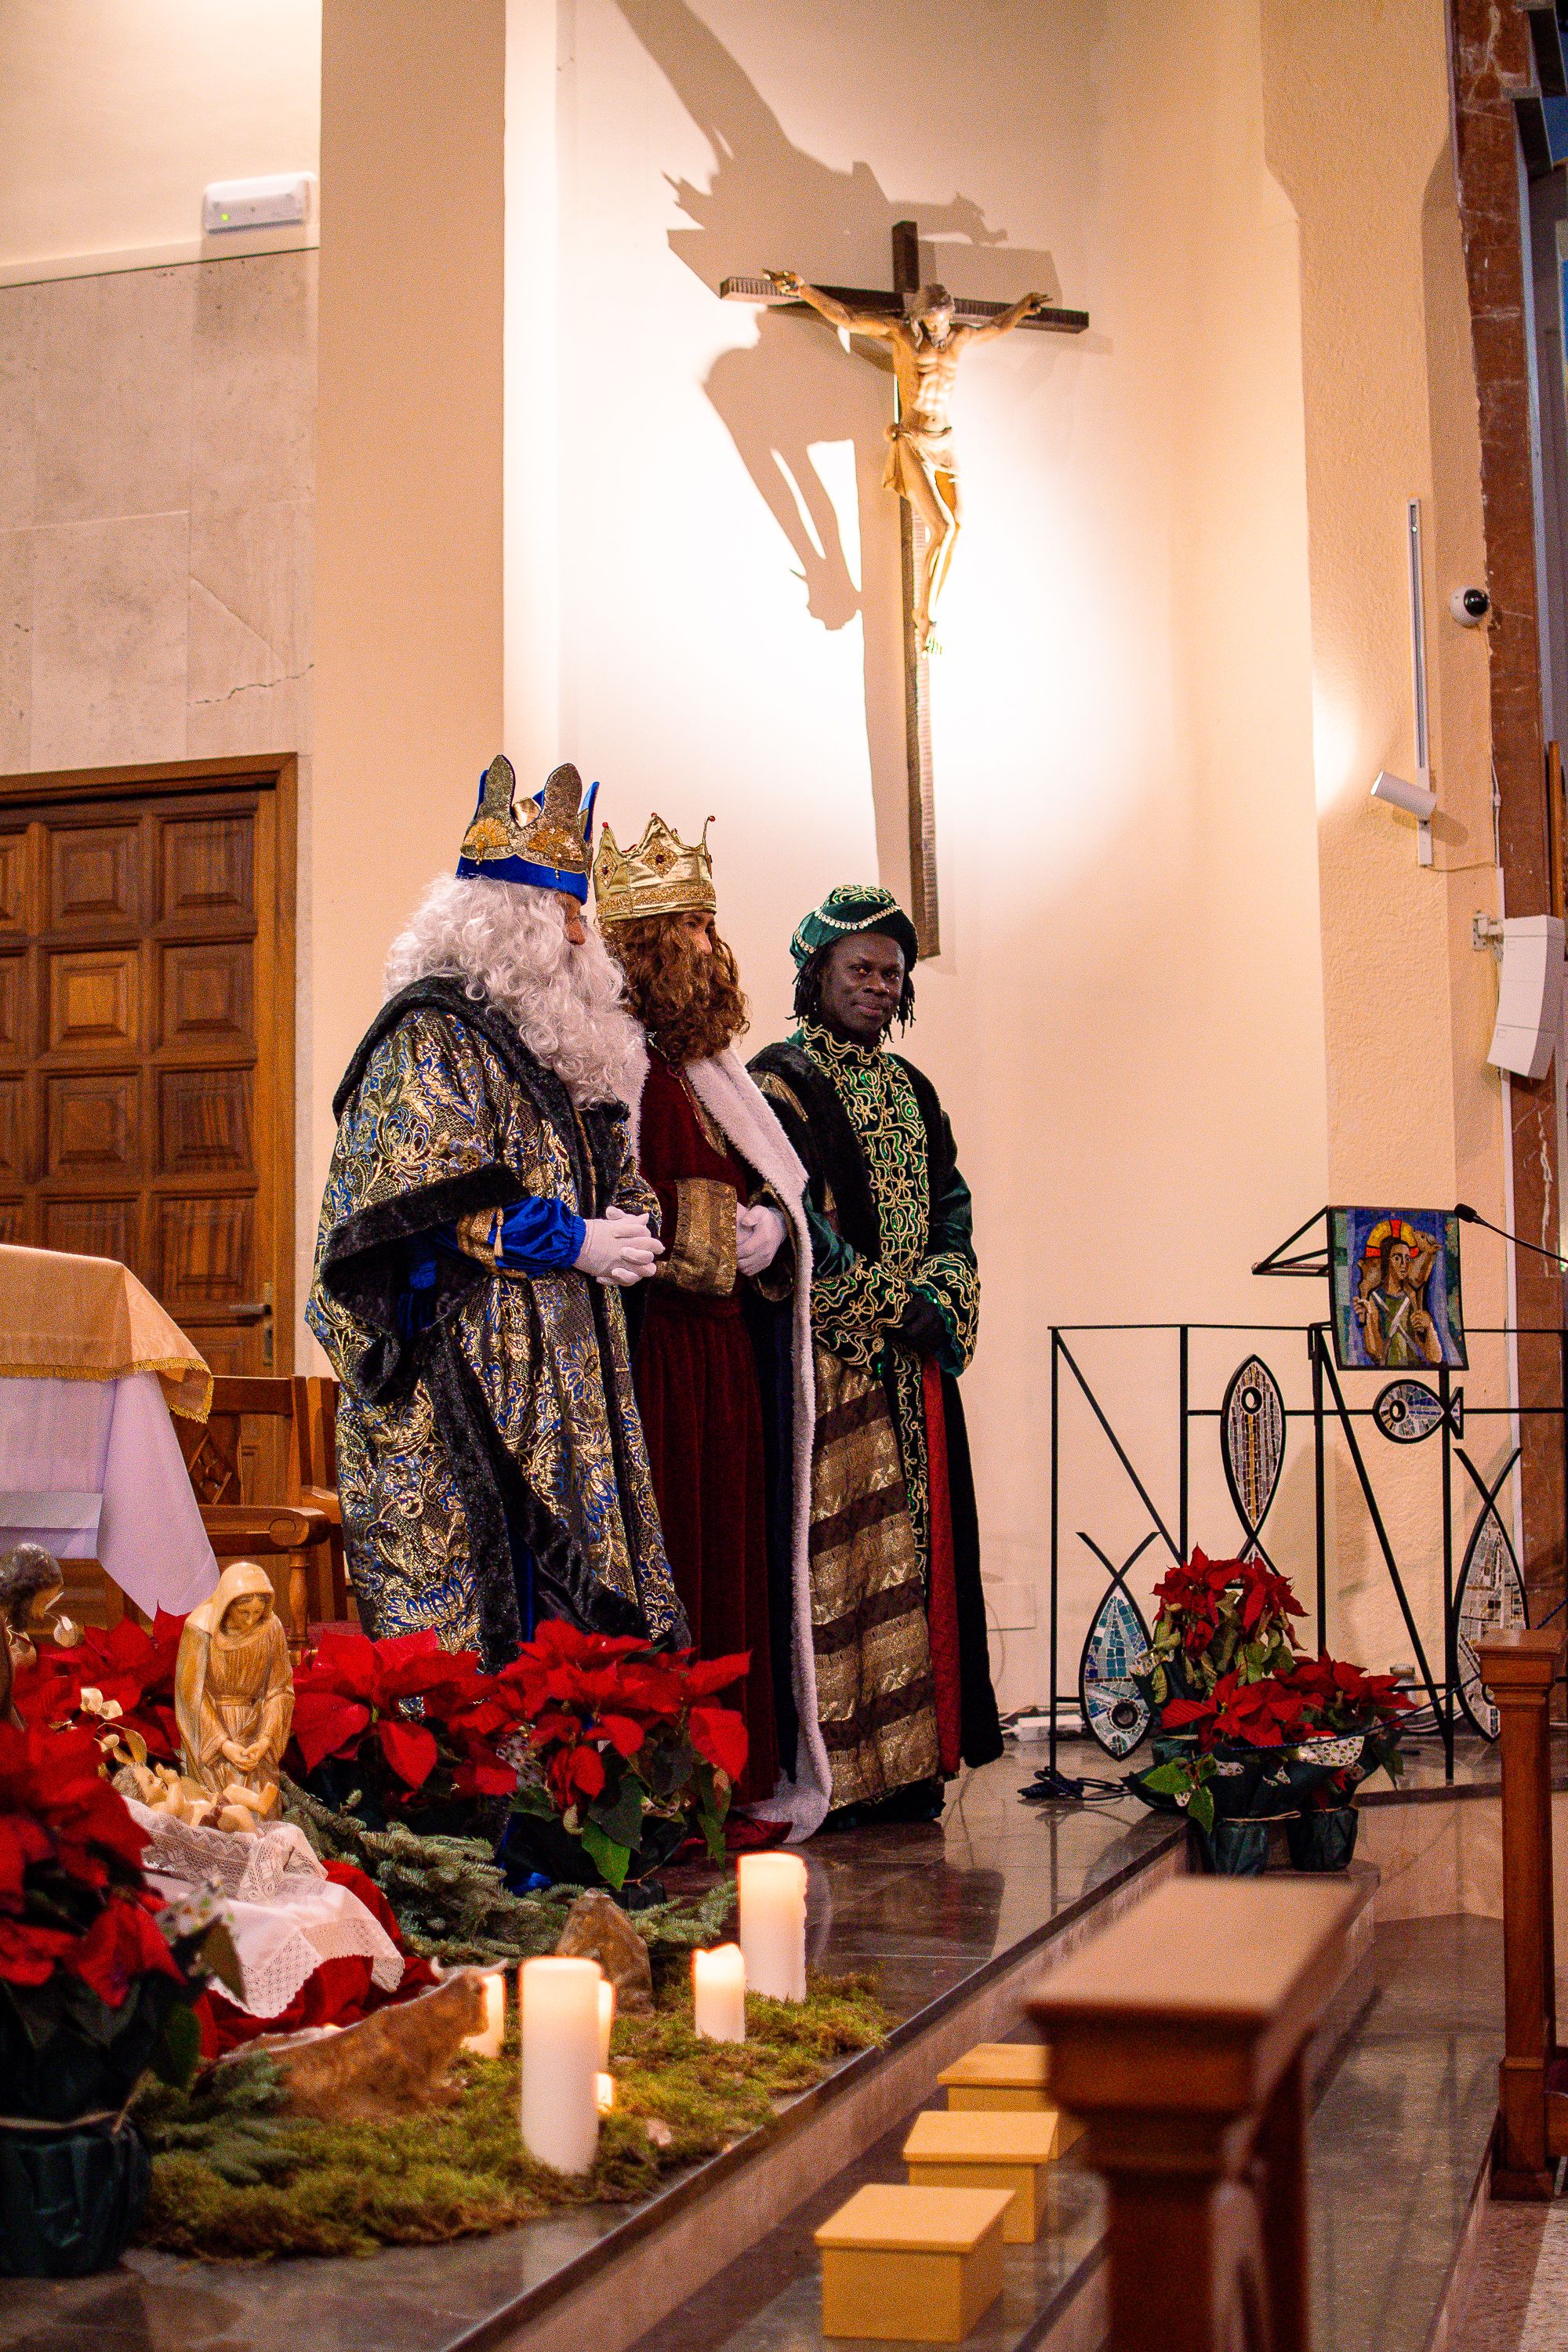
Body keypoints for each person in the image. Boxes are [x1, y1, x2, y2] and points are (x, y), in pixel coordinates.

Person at [307, 757, 686, 1668]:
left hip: (567, 1353)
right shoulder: (426, 1032)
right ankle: (494, 1804)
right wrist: (575, 1241)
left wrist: (626, 1226)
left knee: (573, 1601)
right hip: (466, 1362)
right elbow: (424, 1196)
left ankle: (573, 1795)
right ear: (510, 927)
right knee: (498, 1582)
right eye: (567, 918)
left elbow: (597, 1163)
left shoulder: (550, 1043)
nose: (583, 939)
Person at [595, 815, 831, 1833]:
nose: (708, 945)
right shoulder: (611, 1065)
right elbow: (613, 1198)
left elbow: (783, 1191)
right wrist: (696, 1227)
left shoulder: (714, 1071)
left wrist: (775, 1233)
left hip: (729, 1356)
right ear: (647, 948)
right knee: (673, 1551)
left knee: (736, 1544)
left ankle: (739, 1761)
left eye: (707, 924)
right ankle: (668, 1783)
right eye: (688, 928)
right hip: (651, 1357)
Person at [751, 885, 1003, 1819]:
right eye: (858, 969)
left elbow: (951, 1207)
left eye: (891, 975)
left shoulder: (911, 1090)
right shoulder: (777, 1081)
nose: (876, 986)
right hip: (833, 1365)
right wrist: (889, 1305)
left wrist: (941, 1298)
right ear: (816, 974)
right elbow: (790, 1221)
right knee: (845, 1569)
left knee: (925, 1557)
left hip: (915, 1368)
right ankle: (846, 1769)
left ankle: (914, 1763)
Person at [765, 272, 1045, 651]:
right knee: (942, 528)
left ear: (950, 314)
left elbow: (995, 327)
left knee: (957, 527)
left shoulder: (959, 337)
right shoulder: (901, 336)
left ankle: (931, 608)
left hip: (945, 443)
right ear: (920, 317)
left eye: (943, 320)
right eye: (931, 321)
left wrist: (1022, 309)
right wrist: (803, 290)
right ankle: (923, 616)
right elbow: (847, 318)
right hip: (913, 441)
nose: (938, 328)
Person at [173, 1560, 295, 1803]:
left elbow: (279, 1690)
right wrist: (223, 1744)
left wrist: (265, 1740)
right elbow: (192, 1697)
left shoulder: (270, 1628)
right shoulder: (201, 1628)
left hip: (256, 1726)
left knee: (260, 1809)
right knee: (221, 1810)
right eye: (244, 1612)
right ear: (227, 1605)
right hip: (214, 1731)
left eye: (257, 1613)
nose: (251, 1621)